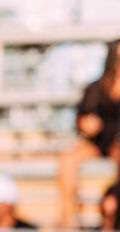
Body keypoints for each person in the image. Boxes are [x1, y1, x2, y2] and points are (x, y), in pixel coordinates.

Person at [57, 39, 120, 228]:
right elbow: (82, 116)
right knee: (67, 160)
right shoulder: (96, 87)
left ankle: (113, 213)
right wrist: (85, 123)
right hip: (97, 142)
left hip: (116, 144)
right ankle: (69, 218)